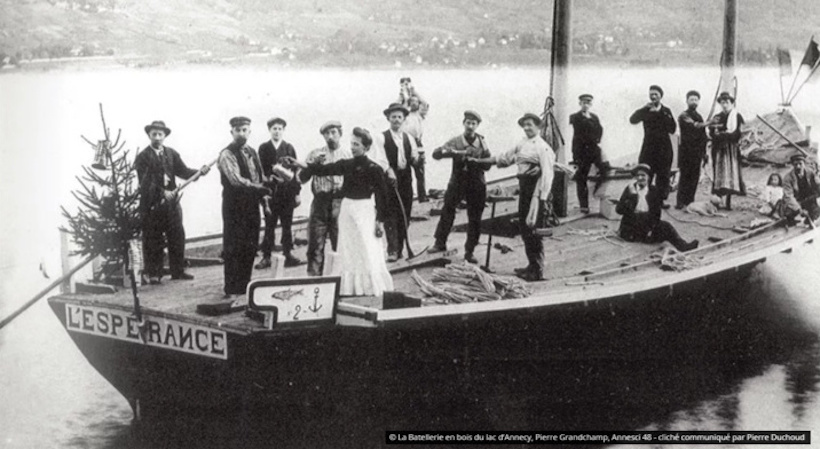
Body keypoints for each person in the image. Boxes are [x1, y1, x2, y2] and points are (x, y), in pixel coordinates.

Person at [297, 127, 393, 296]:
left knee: (366, 246)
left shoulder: (374, 168)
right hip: (347, 209)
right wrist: (299, 164)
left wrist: (380, 222)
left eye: (356, 144)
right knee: (347, 247)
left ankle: (371, 287)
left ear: (366, 147)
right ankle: (350, 288)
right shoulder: (347, 164)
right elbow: (323, 170)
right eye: (351, 144)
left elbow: (382, 197)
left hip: (364, 210)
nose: (353, 147)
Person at [473, 113, 555, 281]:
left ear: (538, 127)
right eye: (524, 125)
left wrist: (543, 199)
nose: (526, 128)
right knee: (525, 229)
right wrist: (481, 161)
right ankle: (531, 265)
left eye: (530, 125)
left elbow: (548, 174)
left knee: (533, 229)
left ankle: (537, 270)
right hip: (524, 187)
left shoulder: (543, 147)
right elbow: (505, 159)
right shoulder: (522, 143)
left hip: (536, 192)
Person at [135, 120, 210, 284]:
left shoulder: (171, 154)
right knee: (153, 238)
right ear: (149, 135)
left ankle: (178, 271)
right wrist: (162, 193)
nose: (157, 137)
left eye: (160, 134)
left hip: (172, 203)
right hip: (152, 205)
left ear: (165, 136)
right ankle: (154, 274)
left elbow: (183, 171)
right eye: (153, 134)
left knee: (177, 235)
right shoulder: (143, 157)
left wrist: (200, 172)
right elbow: (145, 183)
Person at [427, 110, 492, 264]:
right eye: (468, 123)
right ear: (463, 124)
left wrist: (479, 161)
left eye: (473, 123)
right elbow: (436, 154)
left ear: (477, 126)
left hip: (476, 183)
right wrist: (446, 152)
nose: (470, 126)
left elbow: (488, 165)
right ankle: (440, 243)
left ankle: (470, 251)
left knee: (475, 217)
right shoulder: (455, 141)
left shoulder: (482, 143)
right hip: (457, 182)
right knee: (447, 211)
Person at [217, 117, 271, 299]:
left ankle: (245, 286)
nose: (241, 133)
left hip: (251, 206)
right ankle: (232, 289)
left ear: (250, 131)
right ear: (231, 132)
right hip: (234, 206)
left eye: (244, 129)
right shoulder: (226, 154)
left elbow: (260, 177)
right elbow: (235, 180)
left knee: (250, 245)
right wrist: (257, 187)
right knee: (234, 246)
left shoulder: (252, 152)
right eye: (237, 130)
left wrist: (265, 200)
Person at [299, 121, 352, 276]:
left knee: (341, 242)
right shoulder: (315, 154)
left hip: (340, 201)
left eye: (333, 132)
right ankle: (314, 278)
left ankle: (343, 279)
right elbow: (301, 178)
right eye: (326, 134)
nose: (330, 137)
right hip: (320, 202)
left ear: (340, 134)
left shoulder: (348, 155)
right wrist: (313, 166)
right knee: (315, 243)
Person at [372, 103, 419, 262]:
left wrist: (416, 159)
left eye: (399, 117)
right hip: (389, 179)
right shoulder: (381, 137)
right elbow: (380, 158)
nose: (396, 120)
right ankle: (392, 250)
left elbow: (413, 156)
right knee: (390, 214)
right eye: (393, 117)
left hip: (405, 178)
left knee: (404, 212)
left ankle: (400, 249)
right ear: (388, 118)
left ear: (404, 119)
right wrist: (389, 170)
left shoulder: (409, 138)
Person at [615, 164, 698, 252]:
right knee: (651, 234)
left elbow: (656, 214)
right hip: (631, 225)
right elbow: (619, 210)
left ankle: (683, 246)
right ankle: (647, 237)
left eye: (643, 175)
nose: (640, 178)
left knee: (667, 227)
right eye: (638, 175)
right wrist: (633, 196)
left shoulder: (653, 190)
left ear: (648, 177)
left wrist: (650, 229)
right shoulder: (630, 190)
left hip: (647, 222)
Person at [256, 117, 303, 269]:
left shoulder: (289, 148)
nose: (277, 131)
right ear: (270, 130)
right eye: (274, 128)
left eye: (279, 128)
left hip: (287, 194)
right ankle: (266, 256)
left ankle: (288, 254)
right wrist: (263, 192)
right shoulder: (263, 148)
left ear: (283, 130)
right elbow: (259, 171)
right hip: (270, 193)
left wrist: (297, 193)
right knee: (269, 225)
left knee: (287, 225)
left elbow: (296, 172)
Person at [629, 85, 677, 204]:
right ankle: (644, 200)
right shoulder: (645, 110)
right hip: (648, 148)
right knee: (646, 173)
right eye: (651, 94)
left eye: (656, 94)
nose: (653, 96)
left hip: (664, 148)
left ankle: (661, 201)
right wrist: (643, 109)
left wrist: (660, 114)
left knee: (663, 175)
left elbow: (672, 129)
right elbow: (632, 120)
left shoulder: (666, 111)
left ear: (661, 96)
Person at [569, 94, 609, 213]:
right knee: (582, 179)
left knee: (605, 171)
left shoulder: (594, 117)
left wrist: (597, 140)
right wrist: (575, 156)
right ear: (580, 103)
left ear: (591, 104)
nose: (586, 104)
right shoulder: (575, 117)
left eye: (588, 102)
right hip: (582, 151)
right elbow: (578, 132)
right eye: (583, 102)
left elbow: (600, 129)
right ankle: (584, 206)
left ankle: (597, 191)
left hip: (594, 148)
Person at [707, 92, 745, 210]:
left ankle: (728, 202)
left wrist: (725, 136)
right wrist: (716, 134)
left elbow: (738, 133)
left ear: (732, 103)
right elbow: (711, 131)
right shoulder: (717, 116)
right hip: (719, 149)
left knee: (731, 173)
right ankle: (718, 201)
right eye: (722, 102)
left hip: (731, 149)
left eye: (727, 102)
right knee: (719, 173)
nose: (724, 105)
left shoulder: (737, 116)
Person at [676, 90, 709, 209]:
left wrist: (704, 153)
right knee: (685, 176)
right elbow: (694, 125)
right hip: (686, 151)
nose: (694, 101)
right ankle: (680, 202)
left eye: (696, 99)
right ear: (687, 101)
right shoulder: (683, 116)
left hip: (697, 152)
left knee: (695, 177)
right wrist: (708, 123)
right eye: (691, 99)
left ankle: (690, 201)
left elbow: (703, 136)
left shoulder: (699, 116)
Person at [782, 153, 820, 225]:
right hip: (797, 200)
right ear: (793, 165)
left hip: (809, 198)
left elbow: (818, 185)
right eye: (795, 164)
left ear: (804, 163)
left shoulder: (810, 172)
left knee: (815, 214)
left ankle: (810, 218)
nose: (798, 166)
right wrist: (799, 210)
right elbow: (788, 196)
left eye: (800, 164)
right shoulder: (787, 178)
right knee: (789, 213)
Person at [403, 94, 428, 202]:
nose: (414, 103)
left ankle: (422, 196)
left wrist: (414, 91)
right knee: (405, 172)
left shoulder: (419, 114)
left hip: (418, 144)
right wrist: (402, 94)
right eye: (411, 101)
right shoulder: (404, 115)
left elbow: (425, 103)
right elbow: (396, 107)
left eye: (416, 102)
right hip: (406, 144)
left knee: (420, 171)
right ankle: (407, 196)